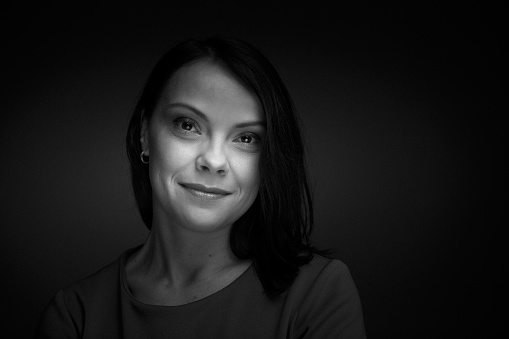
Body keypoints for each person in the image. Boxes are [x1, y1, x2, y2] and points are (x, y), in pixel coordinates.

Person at [35, 36, 366, 338]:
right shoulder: (76, 315)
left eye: (247, 138)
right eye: (188, 125)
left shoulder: (318, 293)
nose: (214, 160)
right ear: (144, 134)